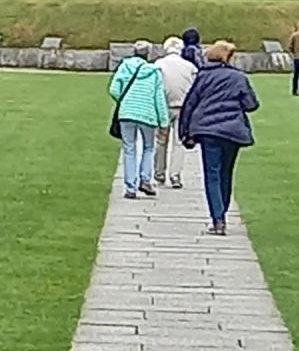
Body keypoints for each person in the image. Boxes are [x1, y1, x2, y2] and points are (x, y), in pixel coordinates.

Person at [180, 40, 260, 236]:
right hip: (232, 130)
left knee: (212, 174)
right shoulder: (239, 78)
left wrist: (185, 132)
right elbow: (251, 104)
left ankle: (218, 219)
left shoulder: (203, 77)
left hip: (208, 130)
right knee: (226, 173)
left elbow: (190, 103)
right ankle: (221, 212)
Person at [109, 40, 169, 199]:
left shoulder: (125, 66)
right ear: (148, 54)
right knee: (149, 147)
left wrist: (123, 101)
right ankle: (145, 179)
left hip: (127, 113)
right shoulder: (154, 72)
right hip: (147, 114)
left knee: (129, 148)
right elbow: (159, 98)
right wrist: (164, 122)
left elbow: (114, 89)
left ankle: (130, 187)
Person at [153, 36, 200, 190]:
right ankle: (175, 175)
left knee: (161, 140)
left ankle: (159, 172)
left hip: (163, 107)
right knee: (179, 142)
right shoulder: (190, 67)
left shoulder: (158, 64)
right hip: (183, 109)